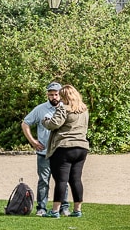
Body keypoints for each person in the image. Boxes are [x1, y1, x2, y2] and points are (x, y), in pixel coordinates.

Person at [20, 82, 71, 217]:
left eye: (56, 94)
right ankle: (41, 208)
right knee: (43, 180)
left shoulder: (67, 108)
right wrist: (32, 141)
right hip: (44, 151)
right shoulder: (40, 109)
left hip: (61, 151)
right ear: (47, 95)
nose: (54, 97)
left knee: (62, 181)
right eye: (51, 94)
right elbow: (25, 123)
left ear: (60, 94)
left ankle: (64, 207)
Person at [42, 84, 90, 218]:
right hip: (81, 147)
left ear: (65, 96)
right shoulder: (84, 109)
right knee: (76, 179)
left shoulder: (64, 108)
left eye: (61, 96)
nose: (60, 99)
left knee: (61, 180)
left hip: (64, 147)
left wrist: (45, 121)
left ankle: (55, 211)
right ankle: (77, 210)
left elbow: (54, 124)